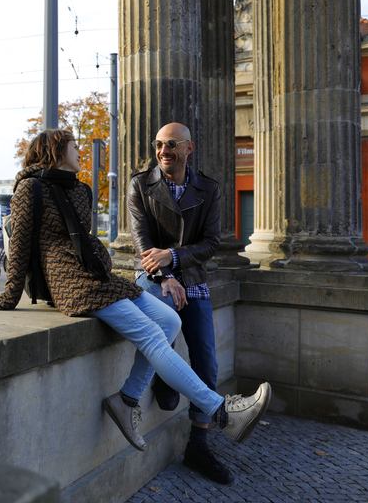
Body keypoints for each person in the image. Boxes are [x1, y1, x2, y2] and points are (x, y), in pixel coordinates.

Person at [0, 128, 271, 455]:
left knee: (170, 322)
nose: (80, 153)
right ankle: (223, 411)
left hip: (97, 275)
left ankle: (126, 399)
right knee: (150, 333)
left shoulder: (79, 189)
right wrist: (7, 299)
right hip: (69, 281)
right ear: (58, 152)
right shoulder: (29, 188)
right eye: (75, 147)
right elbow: (18, 247)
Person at [128, 122, 233, 484]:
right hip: (156, 279)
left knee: (207, 358)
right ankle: (164, 377)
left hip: (192, 277)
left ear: (189, 148)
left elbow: (212, 243)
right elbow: (141, 243)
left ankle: (199, 445)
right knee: (163, 325)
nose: (163, 150)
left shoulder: (209, 188)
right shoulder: (141, 184)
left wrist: (173, 257)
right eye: (158, 144)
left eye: (171, 144)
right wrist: (164, 274)